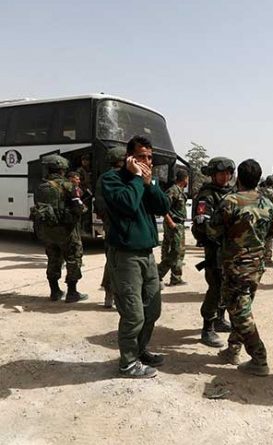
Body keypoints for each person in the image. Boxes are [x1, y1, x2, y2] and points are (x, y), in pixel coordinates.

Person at [101, 135, 170, 378]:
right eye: (141, 157)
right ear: (129, 158)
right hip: (125, 256)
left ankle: (140, 351)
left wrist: (150, 185)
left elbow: (163, 207)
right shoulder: (112, 180)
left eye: (150, 157)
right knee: (133, 314)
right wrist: (138, 178)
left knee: (152, 310)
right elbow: (128, 204)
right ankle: (128, 363)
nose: (147, 161)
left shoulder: (147, 180)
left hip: (147, 254)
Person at [210, 159, 273, 376]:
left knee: (239, 312)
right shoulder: (268, 204)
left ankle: (259, 358)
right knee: (241, 308)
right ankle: (233, 350)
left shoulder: (230, 201)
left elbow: (213, 231)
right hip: (256, 266)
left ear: (238, 177)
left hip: (236, 267)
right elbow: (270, 235)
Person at [30, 155, 88, 303]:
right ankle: (72, 292)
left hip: (47, 230)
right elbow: (79, 207)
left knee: (53, 258)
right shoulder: (69, 186)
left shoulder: (41, 187)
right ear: (63, 169)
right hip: (66, 230)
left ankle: (55, 291)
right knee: (73, 258)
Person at [192, 157, 235, 347]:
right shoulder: (207, 196)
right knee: (216, 287)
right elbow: (203, 224)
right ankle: (207, 327)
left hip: (229, 249)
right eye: (221, 173)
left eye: (228, 173)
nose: (225, 177)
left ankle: (220, 318)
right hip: (215, 249)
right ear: (213, 174)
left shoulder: (231, 193)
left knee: (226, 286)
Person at [95, 147, 127, 308]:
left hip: (110, 225)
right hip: (124, 225)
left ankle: (109, 294)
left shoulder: (103, 178)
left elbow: (99, 205)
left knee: (111, 259)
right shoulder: (124, 177)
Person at [158, 169, 189, 286]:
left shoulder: (180, 191)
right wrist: (170, 222)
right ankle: (157, 273)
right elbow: (163, 207)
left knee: (180, 251)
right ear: (185, 179)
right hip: (174, 224)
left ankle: (176, 278)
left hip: (179, 224)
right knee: (175, 252)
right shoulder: (173, 190)